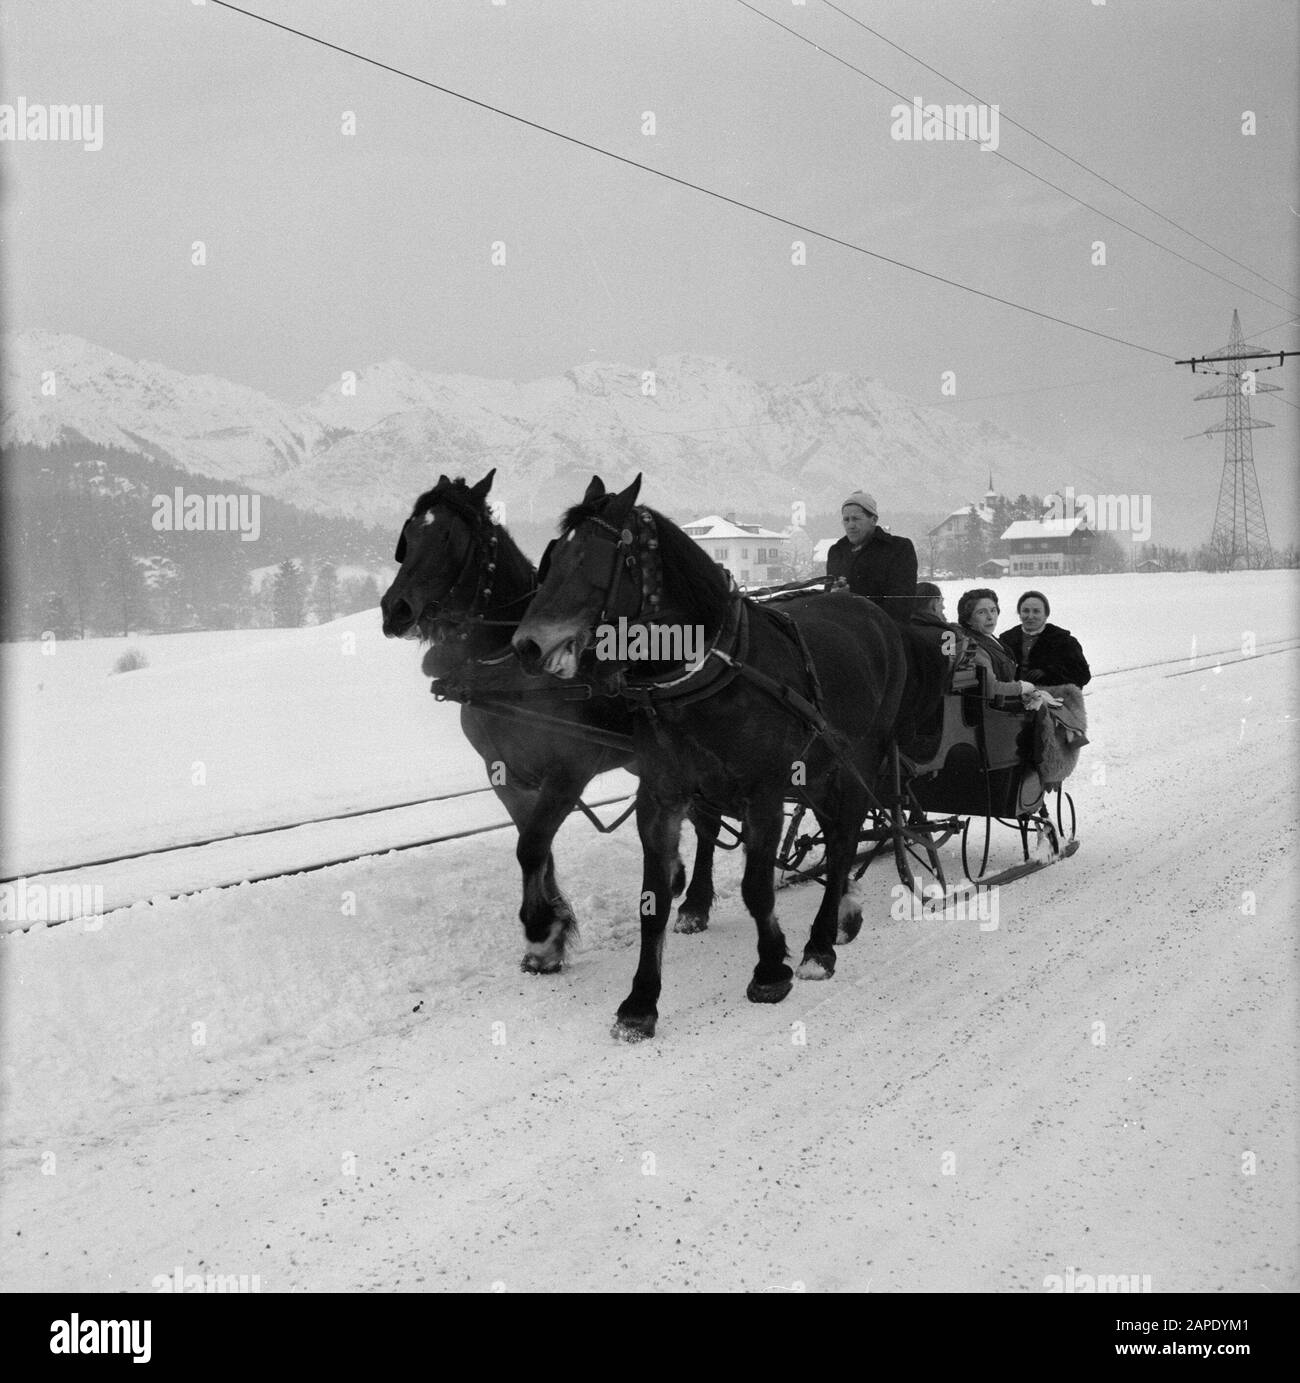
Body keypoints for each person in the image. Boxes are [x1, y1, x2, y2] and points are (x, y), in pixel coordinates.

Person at [824, 491, 917, 625]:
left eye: (856, 519)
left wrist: (852, 599)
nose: (850, 525)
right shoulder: (836, 552)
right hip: (842, 630)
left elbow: (901, 603)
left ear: (873, 520)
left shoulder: (898, 548)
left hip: (884, 633)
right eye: (846, 520)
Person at [955, 588, 1038, 708]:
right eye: (981, 612)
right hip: (994, 712)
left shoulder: (987, 637)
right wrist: (1023, 688)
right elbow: (992, 688)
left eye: (993, 610)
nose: (990, 617)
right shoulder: (975, 648)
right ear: (968, 619)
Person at [998, 590, 1091, 688]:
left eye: (1036, 611)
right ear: (1019, 613)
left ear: (1046, 614)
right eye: (1025, 611)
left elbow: (1083, 675)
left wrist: (1049, 673)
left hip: (1053, 699)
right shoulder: (1006, 640)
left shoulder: (1064, 641)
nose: (1030, 616)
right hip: (1012, 699)